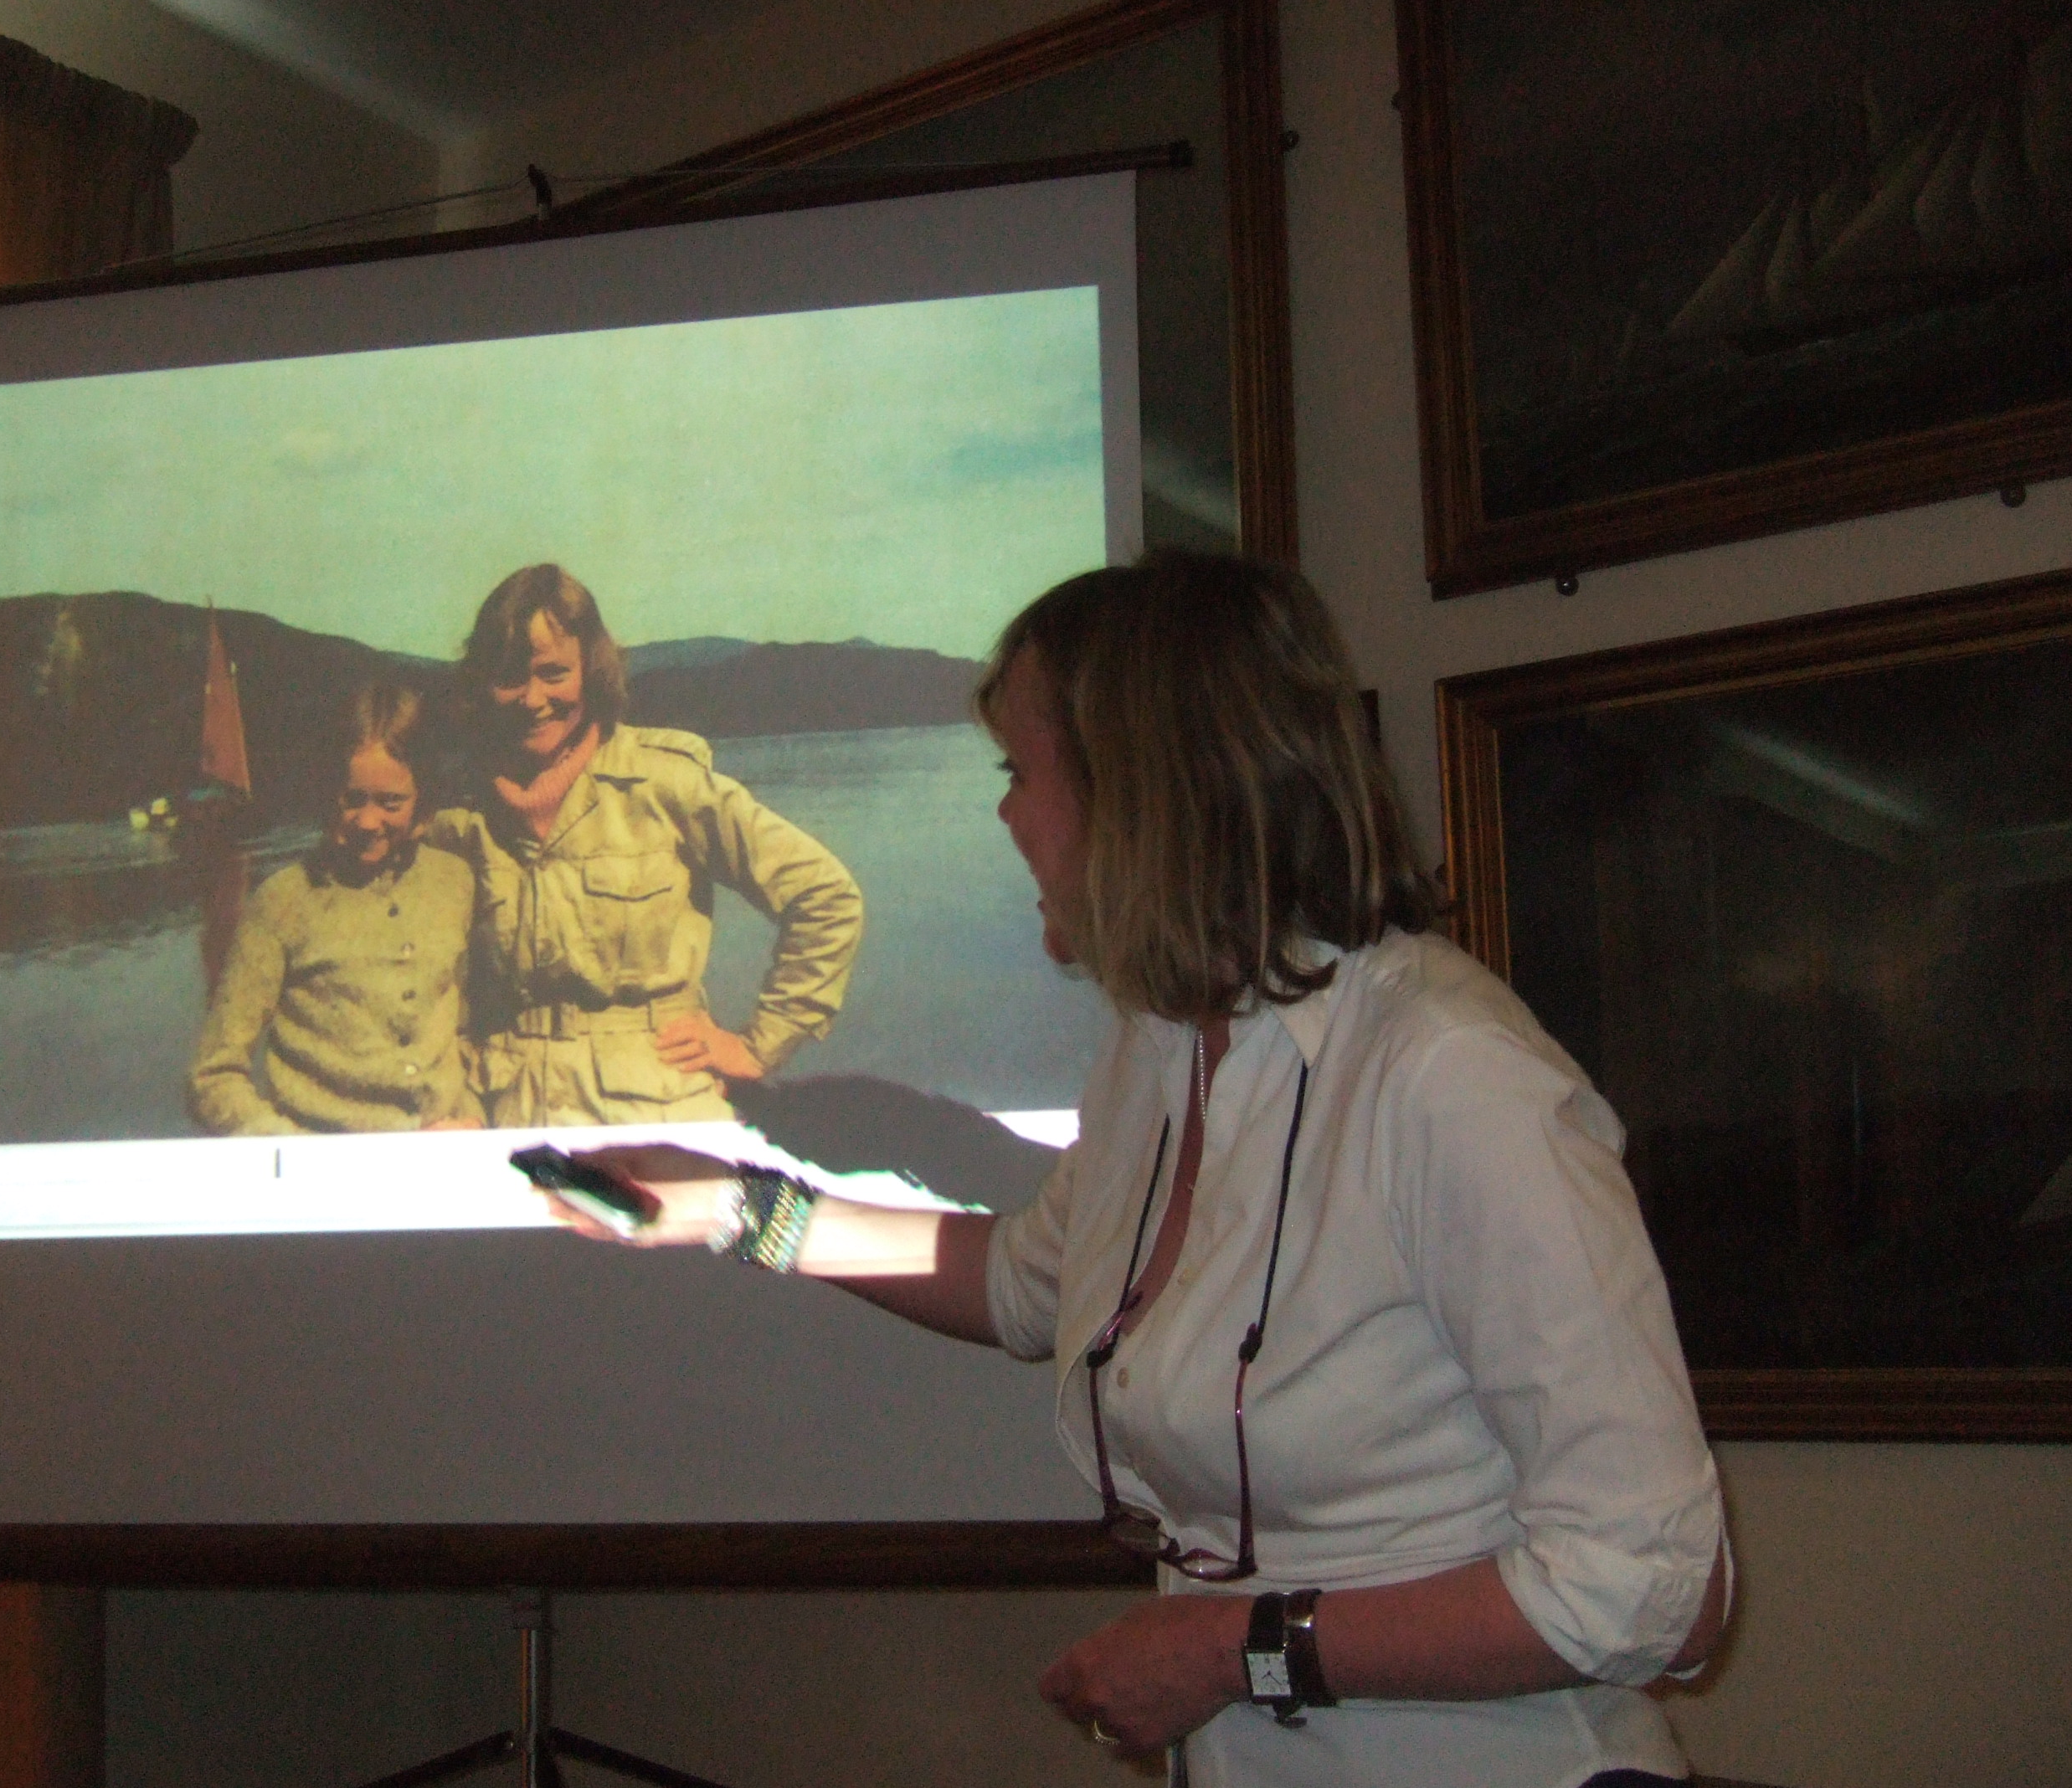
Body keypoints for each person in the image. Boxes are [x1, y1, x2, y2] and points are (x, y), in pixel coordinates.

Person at [553, 553, 1729, 1788]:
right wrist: (734, 1212)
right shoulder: (1161, 1052)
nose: (1005, 815)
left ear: (1146, 789)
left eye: (1021, 772)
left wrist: (1236, 1652)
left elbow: (1654, 1589)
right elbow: (1021, 1281)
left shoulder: (1450, 1074)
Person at [427, 563, 863, 1128]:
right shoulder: (454, 817)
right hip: (502, 1117)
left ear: (591, 670)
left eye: (554, 672)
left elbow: (827, 898)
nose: (532, 699)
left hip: (660, 1110)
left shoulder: (666, 784)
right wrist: (452, 1100)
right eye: (510, 676)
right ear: (482, 683)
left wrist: (758, 1046)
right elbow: (428, 985)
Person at [188, 681, 481, 1135]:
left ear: (424, 800)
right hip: (325, 1172)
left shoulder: (456, 882)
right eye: (352, 799)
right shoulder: (281, 901)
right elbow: (213, 1076)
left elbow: (466, 1031)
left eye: (391, 803)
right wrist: (294, 1151)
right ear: (327, 791)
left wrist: (471, 1116)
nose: (368, 822)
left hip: (444, 1159)